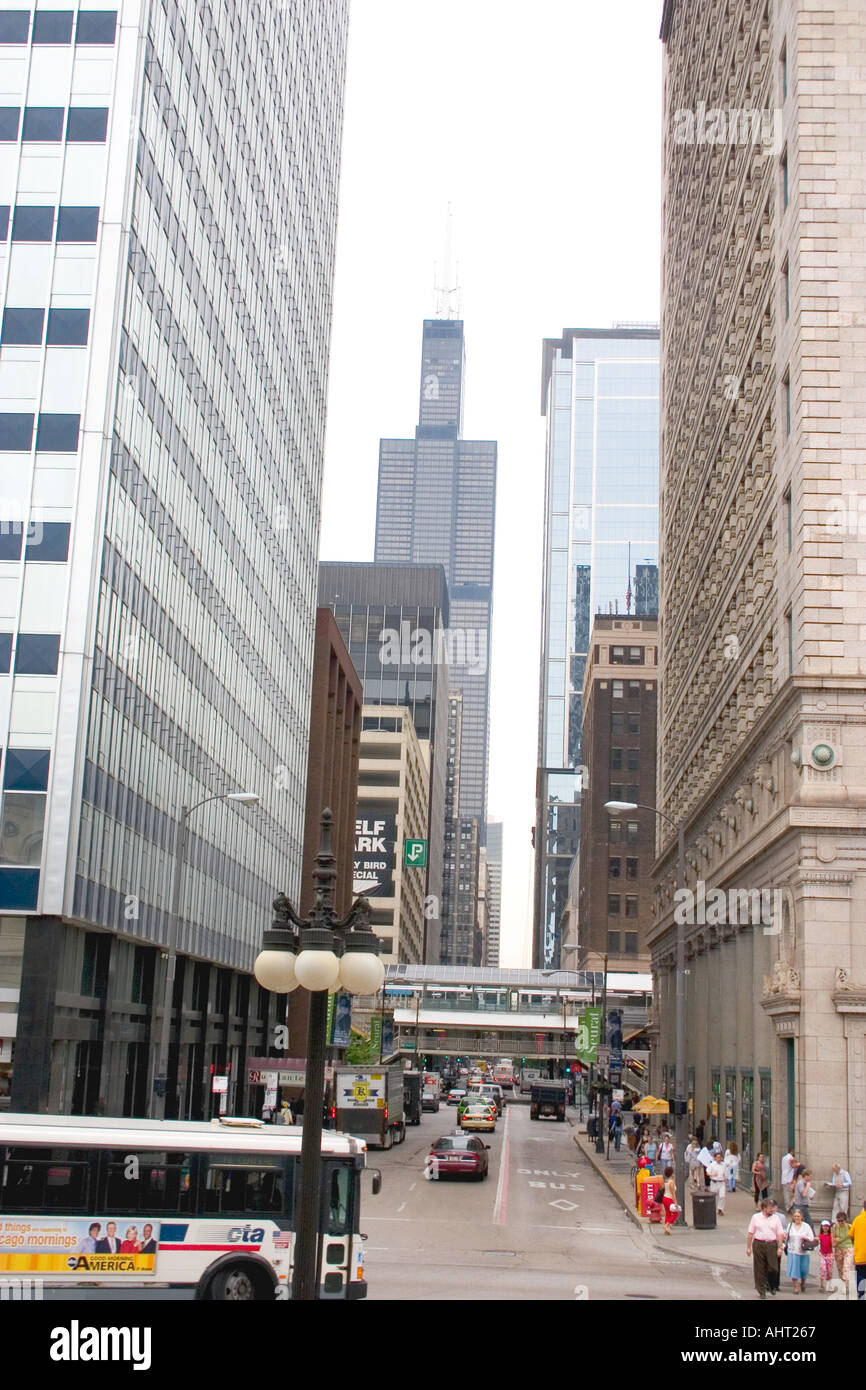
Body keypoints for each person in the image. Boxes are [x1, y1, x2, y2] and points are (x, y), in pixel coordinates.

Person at [746, 1198, 786, 1299]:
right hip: (759, 1244)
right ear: (764, 1208)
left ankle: (772, 1285)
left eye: (773, 1208)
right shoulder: (756, 1217)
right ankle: (761, 1290)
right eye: (770, 1208)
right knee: (759, 1268)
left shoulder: (776, 1218)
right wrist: (748, 1247)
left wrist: (780, 1247)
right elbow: (750, 1233)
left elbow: (780, 1233)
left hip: (772, 1244)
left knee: (773, 1267)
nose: (772, 1210)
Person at [785, 1208, 815, 1294]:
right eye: (795, 1216)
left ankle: (803, 1282)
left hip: (804, 1252)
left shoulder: (806, 1226)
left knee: (804, 1270)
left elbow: (811, 1238)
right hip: (793, 1251)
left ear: (801, 1216)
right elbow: (787, 1237)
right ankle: (796, 1286)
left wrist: (806, 1238)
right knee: (794, 1270)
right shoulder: (790, 1225)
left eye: (798, 1216)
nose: (796, 1218)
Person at [832, 1210, 854, 1293]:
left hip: (848, 1248)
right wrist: (835, 1240)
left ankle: (844, 1285)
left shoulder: (849, 1227)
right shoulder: (834, 1227)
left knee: (846, 1267)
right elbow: (832, 1241)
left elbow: (854, 1238)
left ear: (845, 1220)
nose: (840, 1222)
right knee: (840, 1268)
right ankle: (845, 1281)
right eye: (838, 1220)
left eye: (842, 1220)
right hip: (839, 1249)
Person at [850, 1198, 866, 1301]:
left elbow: (850, 1234)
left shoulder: (858, 1219)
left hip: (860, 1255)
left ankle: (861, 1295)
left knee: (860, 1275)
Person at [706, 1150, 727, 1215]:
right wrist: (712, 1175)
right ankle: (711, 1209)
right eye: (717, 1157)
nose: (719, 1159)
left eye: (720, 1157)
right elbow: (707, 1173)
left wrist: (725, 1178)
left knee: (722, 1196)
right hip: (714, 1182)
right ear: (715, 1158)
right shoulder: (712, 1164)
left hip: (721, 1182)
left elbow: (725, 1173)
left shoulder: (724, 1165)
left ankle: (720, 1209)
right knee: (712, 1196)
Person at [817, 1220, 834, 1292]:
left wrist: (836, 1241)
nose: (825, 1227)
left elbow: (833, 1244)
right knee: (823, 1268)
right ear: (821, 1227)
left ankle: (829, 1284)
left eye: (827, 1226)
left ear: (829, 1227)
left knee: (829, 1270)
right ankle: (821, 1284)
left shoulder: (831, 1235)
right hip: (822, 1254)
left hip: (829, 1254)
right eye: (824, 1226)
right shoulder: (820, 1235)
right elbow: (817, 1243)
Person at [661, 1165, 678, 1235]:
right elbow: (673, 1193)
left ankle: (666, 1229)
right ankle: (667, 1224)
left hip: (664, 1198)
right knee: (675, 1213)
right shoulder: (671, 1182)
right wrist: (675, 1202)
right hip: (669, 1198)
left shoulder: (665, 1181)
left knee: (668, 1213)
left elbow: (662, 1188)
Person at [780, 1147, 797, 1211]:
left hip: (784, 1178)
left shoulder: (784, 1158)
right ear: (792, 1151)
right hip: (789, 1178)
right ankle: (789, 1206)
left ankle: (788, 1206)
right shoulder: (791, 1158)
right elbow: (794, 1165)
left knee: (786, 1193)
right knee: (790, 1194)